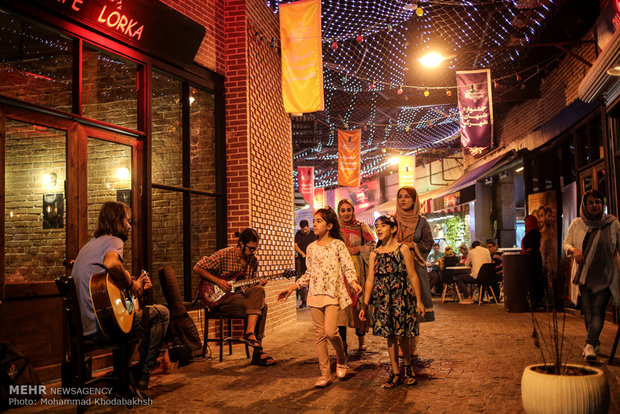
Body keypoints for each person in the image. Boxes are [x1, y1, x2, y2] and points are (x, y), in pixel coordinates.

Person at [71, 201, 170, 397]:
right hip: (104, 329)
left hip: (86, 328)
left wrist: (133, 288)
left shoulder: (89, 247)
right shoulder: (113, 241)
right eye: (128, 221)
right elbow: (112, 263)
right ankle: (139, 376)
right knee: (162, 314)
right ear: (118, 221)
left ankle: (121, 379)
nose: (130, 226)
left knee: (133, 318)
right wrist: (132, 285)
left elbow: (109, 300)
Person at [278, 207, 362, 388]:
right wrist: (293, 287)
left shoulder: (338, 245)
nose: (314, 224)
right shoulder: (310, 248)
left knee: (331, 332)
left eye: (319, 221)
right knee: (319, 335)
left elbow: (348, 267)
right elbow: (309, 273)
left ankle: (341, 359)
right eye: (314, 221)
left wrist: (354, 283)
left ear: (330, 225)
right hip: (315, 293)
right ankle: (325, 374)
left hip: (332, 293)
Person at [359, 215, 425, 388]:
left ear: (393, 228)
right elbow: (370, 280)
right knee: (389, 335)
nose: (379, 229)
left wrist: (419, 301)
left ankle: (408, 367)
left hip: (401, 297)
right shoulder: (374, 253)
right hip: (383, 300)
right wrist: (365, 304)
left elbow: (412, 275)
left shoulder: (403, 249)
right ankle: (395, 372)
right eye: (376, 226)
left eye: (383, 225)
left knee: (403, 334)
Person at [194, 228, 276, 366]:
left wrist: (258, 283)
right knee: (261, 308)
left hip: (239, 295)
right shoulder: (225, 254)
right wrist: (218, 281)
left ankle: (250, 335)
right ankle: (257, 352)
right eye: (251, 248)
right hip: (220, 297)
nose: (253, 252)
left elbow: (249, 287)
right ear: (242, 244)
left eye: (255, 249)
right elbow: (198, 267)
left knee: (259, 291)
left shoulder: (253, 261)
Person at [563, 190, 620, 361]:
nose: (595, 205)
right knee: (588, 313)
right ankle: (594, 342)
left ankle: (589, 344)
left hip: (606, 275)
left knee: (598, 311)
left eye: (598, 202)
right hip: (584, 277)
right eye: (591, 202)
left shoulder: (613, 223)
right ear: (584, 205)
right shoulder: (577, 224)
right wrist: (574, 250)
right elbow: (566, 243)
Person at [394, 186, 434, 360]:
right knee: (397, 306)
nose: (403, 200)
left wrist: (412, 246)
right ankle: (400, 343)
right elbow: (383, 241)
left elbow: (428, 243)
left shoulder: (421, 221)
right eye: (400, 197)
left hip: (415, 267)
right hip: (395, 268)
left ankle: (412, 343)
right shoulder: (392, 220)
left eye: (407, 197)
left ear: (414, 200)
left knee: (413, 306)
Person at [337, 199, 375, 352]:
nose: (346, 213)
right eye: (343, 210)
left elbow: (373, 245)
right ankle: (343, 343)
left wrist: (359, 248)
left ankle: (361, 338)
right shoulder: (335, 229)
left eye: (348, 210)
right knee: (342, 306)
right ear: (339, 212)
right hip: (340, 272)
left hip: (358, 270)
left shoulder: (361, 227)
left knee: (359, 302)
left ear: (353, 211)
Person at [522, 215, 544, 307]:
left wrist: (525, 251)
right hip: (532, 258)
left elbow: (533, 247)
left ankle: (536, 301)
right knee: (534, 278)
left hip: (533, 259)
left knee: (534, 278)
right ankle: (534, 300)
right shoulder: (532, 232)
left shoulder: (534, 233)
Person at [294, 220, 317, 308]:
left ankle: (313, 299)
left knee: (313, 278)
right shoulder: (298, 234)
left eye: (306, 229)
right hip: (301, 259)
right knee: (301, 278)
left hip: (312, 260)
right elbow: (295, 245)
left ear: (308, 226)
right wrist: (302, 254)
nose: (304, 231)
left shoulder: (313, 234)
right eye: (303, 230)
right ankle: (304, 300)